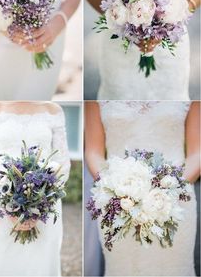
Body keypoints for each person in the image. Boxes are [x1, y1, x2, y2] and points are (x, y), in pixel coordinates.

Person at [85, 100, 200, 277]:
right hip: (118, 204)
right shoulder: (94, 98)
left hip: (175, 202)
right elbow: (94, 151)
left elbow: (197, 152)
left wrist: (170, 188)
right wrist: (115, 187)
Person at [0, 101, 71, 277]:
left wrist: (41, 204)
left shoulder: (52, 110)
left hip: (46, 204)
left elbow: (63, 163)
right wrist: (6, 201)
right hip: (2, 202)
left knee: (41, 261)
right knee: (5, 260)